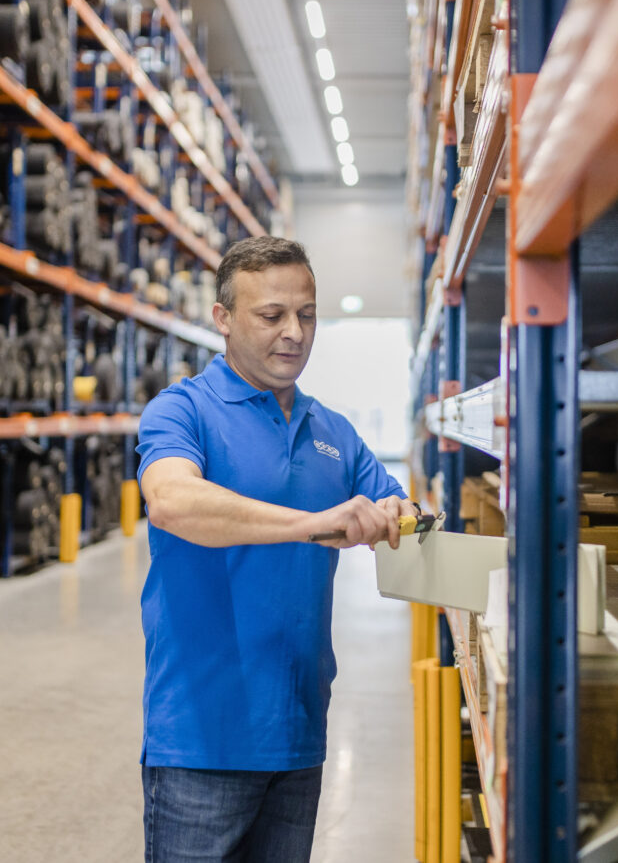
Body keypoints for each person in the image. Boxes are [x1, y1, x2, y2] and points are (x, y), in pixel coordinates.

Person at [135, 236, 411, 862]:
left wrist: (401, 514)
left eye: (306, 315)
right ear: (224, 319)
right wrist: (311, 524)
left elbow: (400, 508)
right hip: (203, 741)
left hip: (298, 736)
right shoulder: (183, 411)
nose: (294, 333)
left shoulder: (331, 432)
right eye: (271, 316)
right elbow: (173, 501)